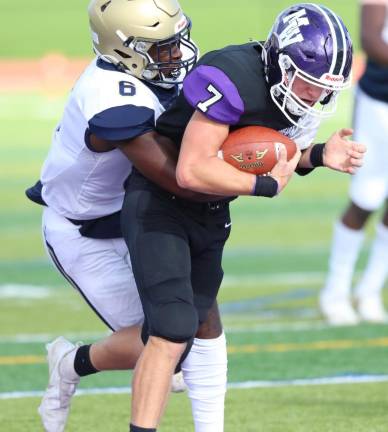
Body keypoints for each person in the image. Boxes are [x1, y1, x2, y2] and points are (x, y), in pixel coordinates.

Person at [121, 3, 366, 431]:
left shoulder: (295, 92)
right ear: (281, 61)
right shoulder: (233, 76)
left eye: (324, 87)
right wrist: (262, 186)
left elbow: (272, 153)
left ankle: (74, 363)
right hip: (161, 200)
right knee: (173, 327)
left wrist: (320, 155)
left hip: (211, 207)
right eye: (308, 83)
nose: (315, 95)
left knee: (202, 325)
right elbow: (191, 169)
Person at [26, 1, 228, 431]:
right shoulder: (110, 95)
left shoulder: (149, 73)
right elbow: (178, 176)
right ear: (125, 50)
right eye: (163, 47)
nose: (177, 54)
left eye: (177, 40)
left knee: (198, 318)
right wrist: (249, 177)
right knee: (169, 338)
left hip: (139, 213)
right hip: (85, 231)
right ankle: (71, 362)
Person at [320, 0, 388, 326]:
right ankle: (335, 291)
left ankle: (370, 289)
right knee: (366, 198)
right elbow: (372, 41)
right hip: (380, 105)